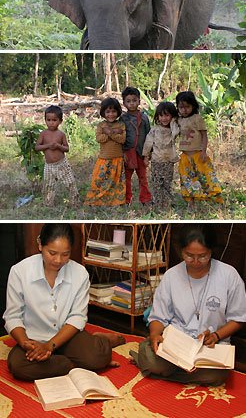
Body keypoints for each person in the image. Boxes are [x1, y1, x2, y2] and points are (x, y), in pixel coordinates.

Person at [3, 223, 125, 381]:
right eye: (52, 253)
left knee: (97, 356)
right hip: (33, 338)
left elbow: (77, 317)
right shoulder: (19, 271)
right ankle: (74, 364)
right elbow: (13, 316)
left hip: (66, 336)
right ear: (40, 244)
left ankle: (101, 341)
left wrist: (50, 346)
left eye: (65, 254)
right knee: (18, 365)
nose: (58, 260)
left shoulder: (80, 273)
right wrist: (25, 343)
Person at [131, 223, 246, 386]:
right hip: (177, 343)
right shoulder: (171, 276)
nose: (196, 262)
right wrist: (156, 334)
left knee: (217, 376)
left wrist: (216, 335)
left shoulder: (229, 275)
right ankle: (158, 367)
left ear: (211, 251)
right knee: (153, 357)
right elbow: (158, 316)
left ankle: (156, 371)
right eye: (189, 255)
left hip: (210, 345)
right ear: (181, 250)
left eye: (203, 256)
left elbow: (239, 318)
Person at [176, 91, 223, 207]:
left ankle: (216, 199)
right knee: (187, 178)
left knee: (206, 177)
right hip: (185, 156)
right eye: (181, 107)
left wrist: (203, 151)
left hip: (198, 154)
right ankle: (191, 201)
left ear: (193, 106)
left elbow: (204, 135)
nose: (184, 110)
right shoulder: (178, 120)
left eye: (187, 107)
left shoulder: (197, 118)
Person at [85, 97, 126, 206]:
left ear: (118, 112)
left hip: (117, 159)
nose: (111, 114)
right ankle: (96, 200)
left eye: (113, 111)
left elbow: (122, 139)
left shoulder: (121, 125)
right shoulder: (101, 125)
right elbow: (99, 139)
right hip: (104, 159)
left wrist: (109, 132)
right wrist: (114, 133)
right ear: (103, 112)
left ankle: (114, 201)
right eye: (108, 112)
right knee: (99, 180)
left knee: (115, 182)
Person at [35, 105, 79, 207]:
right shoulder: (43, 134)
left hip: (62, 163)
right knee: (48, 186)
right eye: (48, 120)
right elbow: (37, 147)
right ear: (45, 120)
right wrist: (47, 146)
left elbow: (67, 149)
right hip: (49, 166)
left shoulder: (61, 134)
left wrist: (58, 146)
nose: (51, 122)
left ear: (60, 121)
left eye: (54, 120)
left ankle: (75, 202)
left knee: (70, 182)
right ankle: (47, 204)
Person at [142, 101, 179, 208]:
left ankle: (167, 203)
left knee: (167, 183)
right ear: (158, 116)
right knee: (156, 183)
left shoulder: (173, 129)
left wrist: (174, 120)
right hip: (156, 161)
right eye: (161, 115)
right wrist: (146, 156)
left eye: (167, 115)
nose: (164, 118)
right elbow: (148, 143)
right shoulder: (155, 130)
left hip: (168, 161)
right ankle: (158, 202)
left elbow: (177, 130)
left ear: (172, 116)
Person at [121, 87, 151, 207]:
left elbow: (149, 136)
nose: (131, 103)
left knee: (143, 177)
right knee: (126, 178)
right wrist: (123, 153)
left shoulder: (144, 117)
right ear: (124, 103)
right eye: (128, 101)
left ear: (139, 101)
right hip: (128, 153)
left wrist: (148, 155)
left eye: (134, 100)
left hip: (141, 152)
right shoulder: (123, 119)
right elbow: (121, 137)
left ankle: (145, 199)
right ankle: (126, 200)